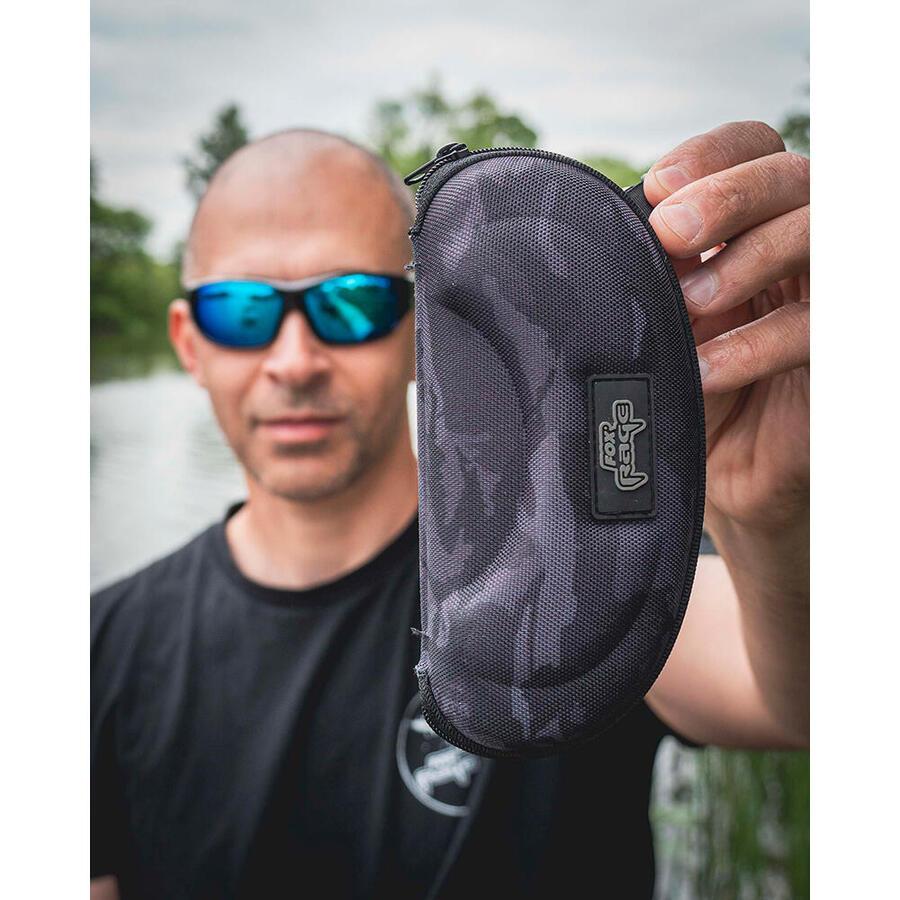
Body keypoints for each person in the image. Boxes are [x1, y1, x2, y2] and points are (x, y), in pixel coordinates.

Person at [91, 122, 809, 899]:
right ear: (189, 341)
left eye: (351, 303)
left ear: (419, 320)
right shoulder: (95, 653)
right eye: (241, 312)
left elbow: (801, 706)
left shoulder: (580, 573)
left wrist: (771, 514)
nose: (294, 362)